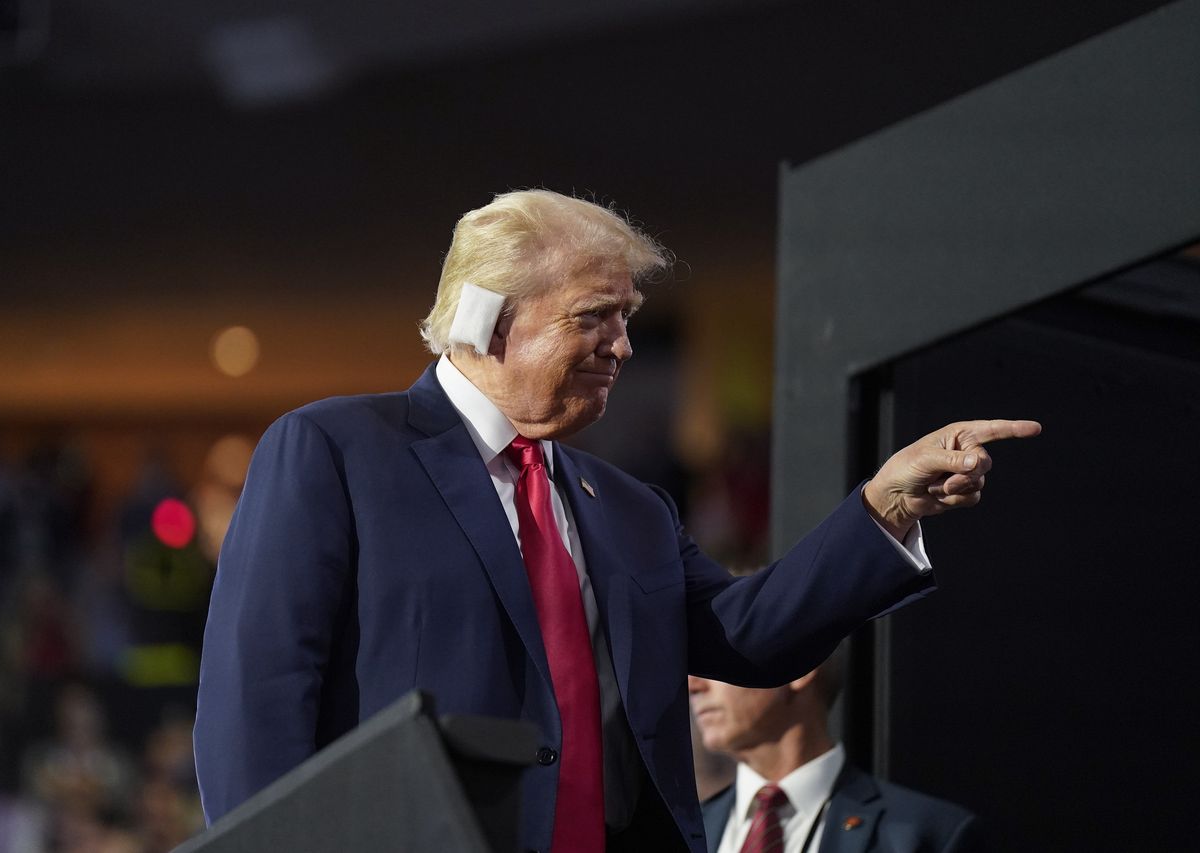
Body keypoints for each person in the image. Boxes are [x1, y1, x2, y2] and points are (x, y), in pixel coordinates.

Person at [193, 189, 1039, 852]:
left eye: (627, 319)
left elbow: (750, 637)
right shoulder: (336, 452)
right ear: (485, 319)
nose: (623, 346)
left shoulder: (629, 507)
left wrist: (886, 501)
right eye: (592, 316)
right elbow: (257, 702)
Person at [690, 649, 980, 853]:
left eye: (720, 659)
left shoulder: (928, 835)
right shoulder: (675, 832)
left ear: (799, 668)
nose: (693, 684)